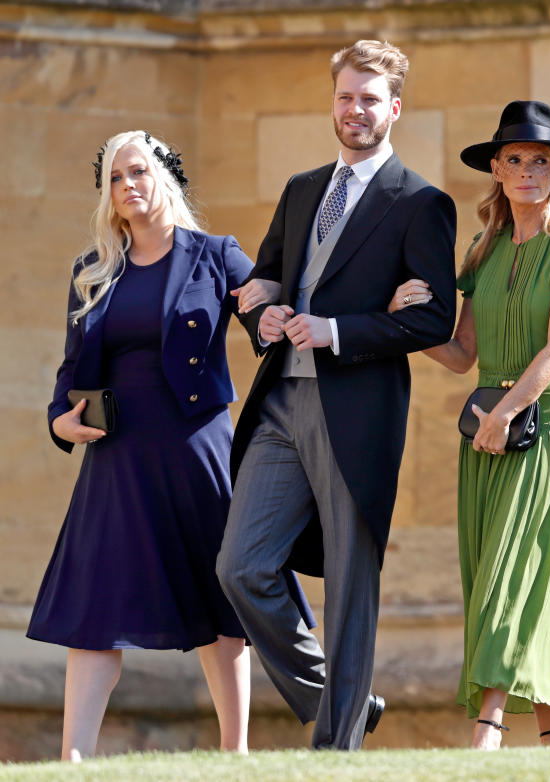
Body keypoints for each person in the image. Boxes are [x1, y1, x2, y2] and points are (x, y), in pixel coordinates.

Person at [215, 39, 457, 751]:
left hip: (357, 410)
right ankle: (338, 698)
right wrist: (261, 314)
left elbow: (433, 318)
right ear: (334, 101)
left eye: (371, 99)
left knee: (352, 584)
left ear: (395, 109)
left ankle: (336, 751)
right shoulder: (300, 190)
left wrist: (337, 329)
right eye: (347, 97)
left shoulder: (421, 204)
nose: (356, 110)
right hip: (281, 406)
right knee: (241, 565)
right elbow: (265, 281)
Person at [29, 130, 296, 760]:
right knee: (97, 599)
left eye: (139, 172)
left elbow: (262, 315)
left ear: (165, 177)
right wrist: (56, 420)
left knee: (218, 591)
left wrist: (278, 317)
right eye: (116, 178)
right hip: (116, 451)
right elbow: (72, 374)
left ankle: (236, 751)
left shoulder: (215, 254)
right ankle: (73, 759)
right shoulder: (93, 271)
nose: (128, 187)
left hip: (195, 444)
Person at [391, 100, 550, 749]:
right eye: (514, 159)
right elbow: (462, 355)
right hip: (490, 438)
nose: (526, 171)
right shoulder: (483, 250)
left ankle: (486, 737)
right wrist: (405, 321)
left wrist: (507, 412)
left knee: (512, 581)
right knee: (519, 581)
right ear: (495, 168)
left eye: (539, 160)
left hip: (547, 434)